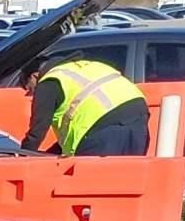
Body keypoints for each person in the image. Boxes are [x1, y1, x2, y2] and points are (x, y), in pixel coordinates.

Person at [21, 57, 150, 156]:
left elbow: (37, 131)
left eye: (29, 88)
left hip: (105, 130)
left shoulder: (49, 81)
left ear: (34, 76)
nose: (32, 94)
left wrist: (23, 155)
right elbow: (70, 141)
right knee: (127, 181)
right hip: (139, 119)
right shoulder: (87, 66)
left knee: (91, 185)